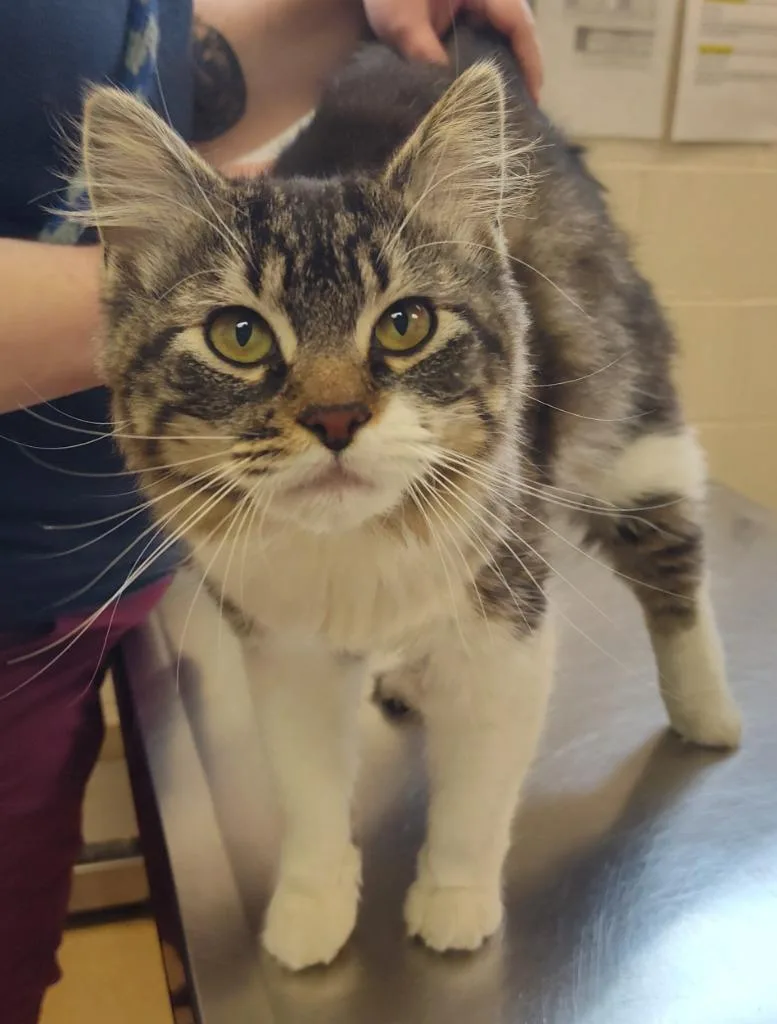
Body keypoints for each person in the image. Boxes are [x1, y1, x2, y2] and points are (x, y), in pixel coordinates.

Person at [0, 1, 541, 1020]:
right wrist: (168, 289)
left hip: (86, 584)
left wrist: (354, 9)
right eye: (248, 339)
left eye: (405, 326)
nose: (334, 411)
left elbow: (176, 74)